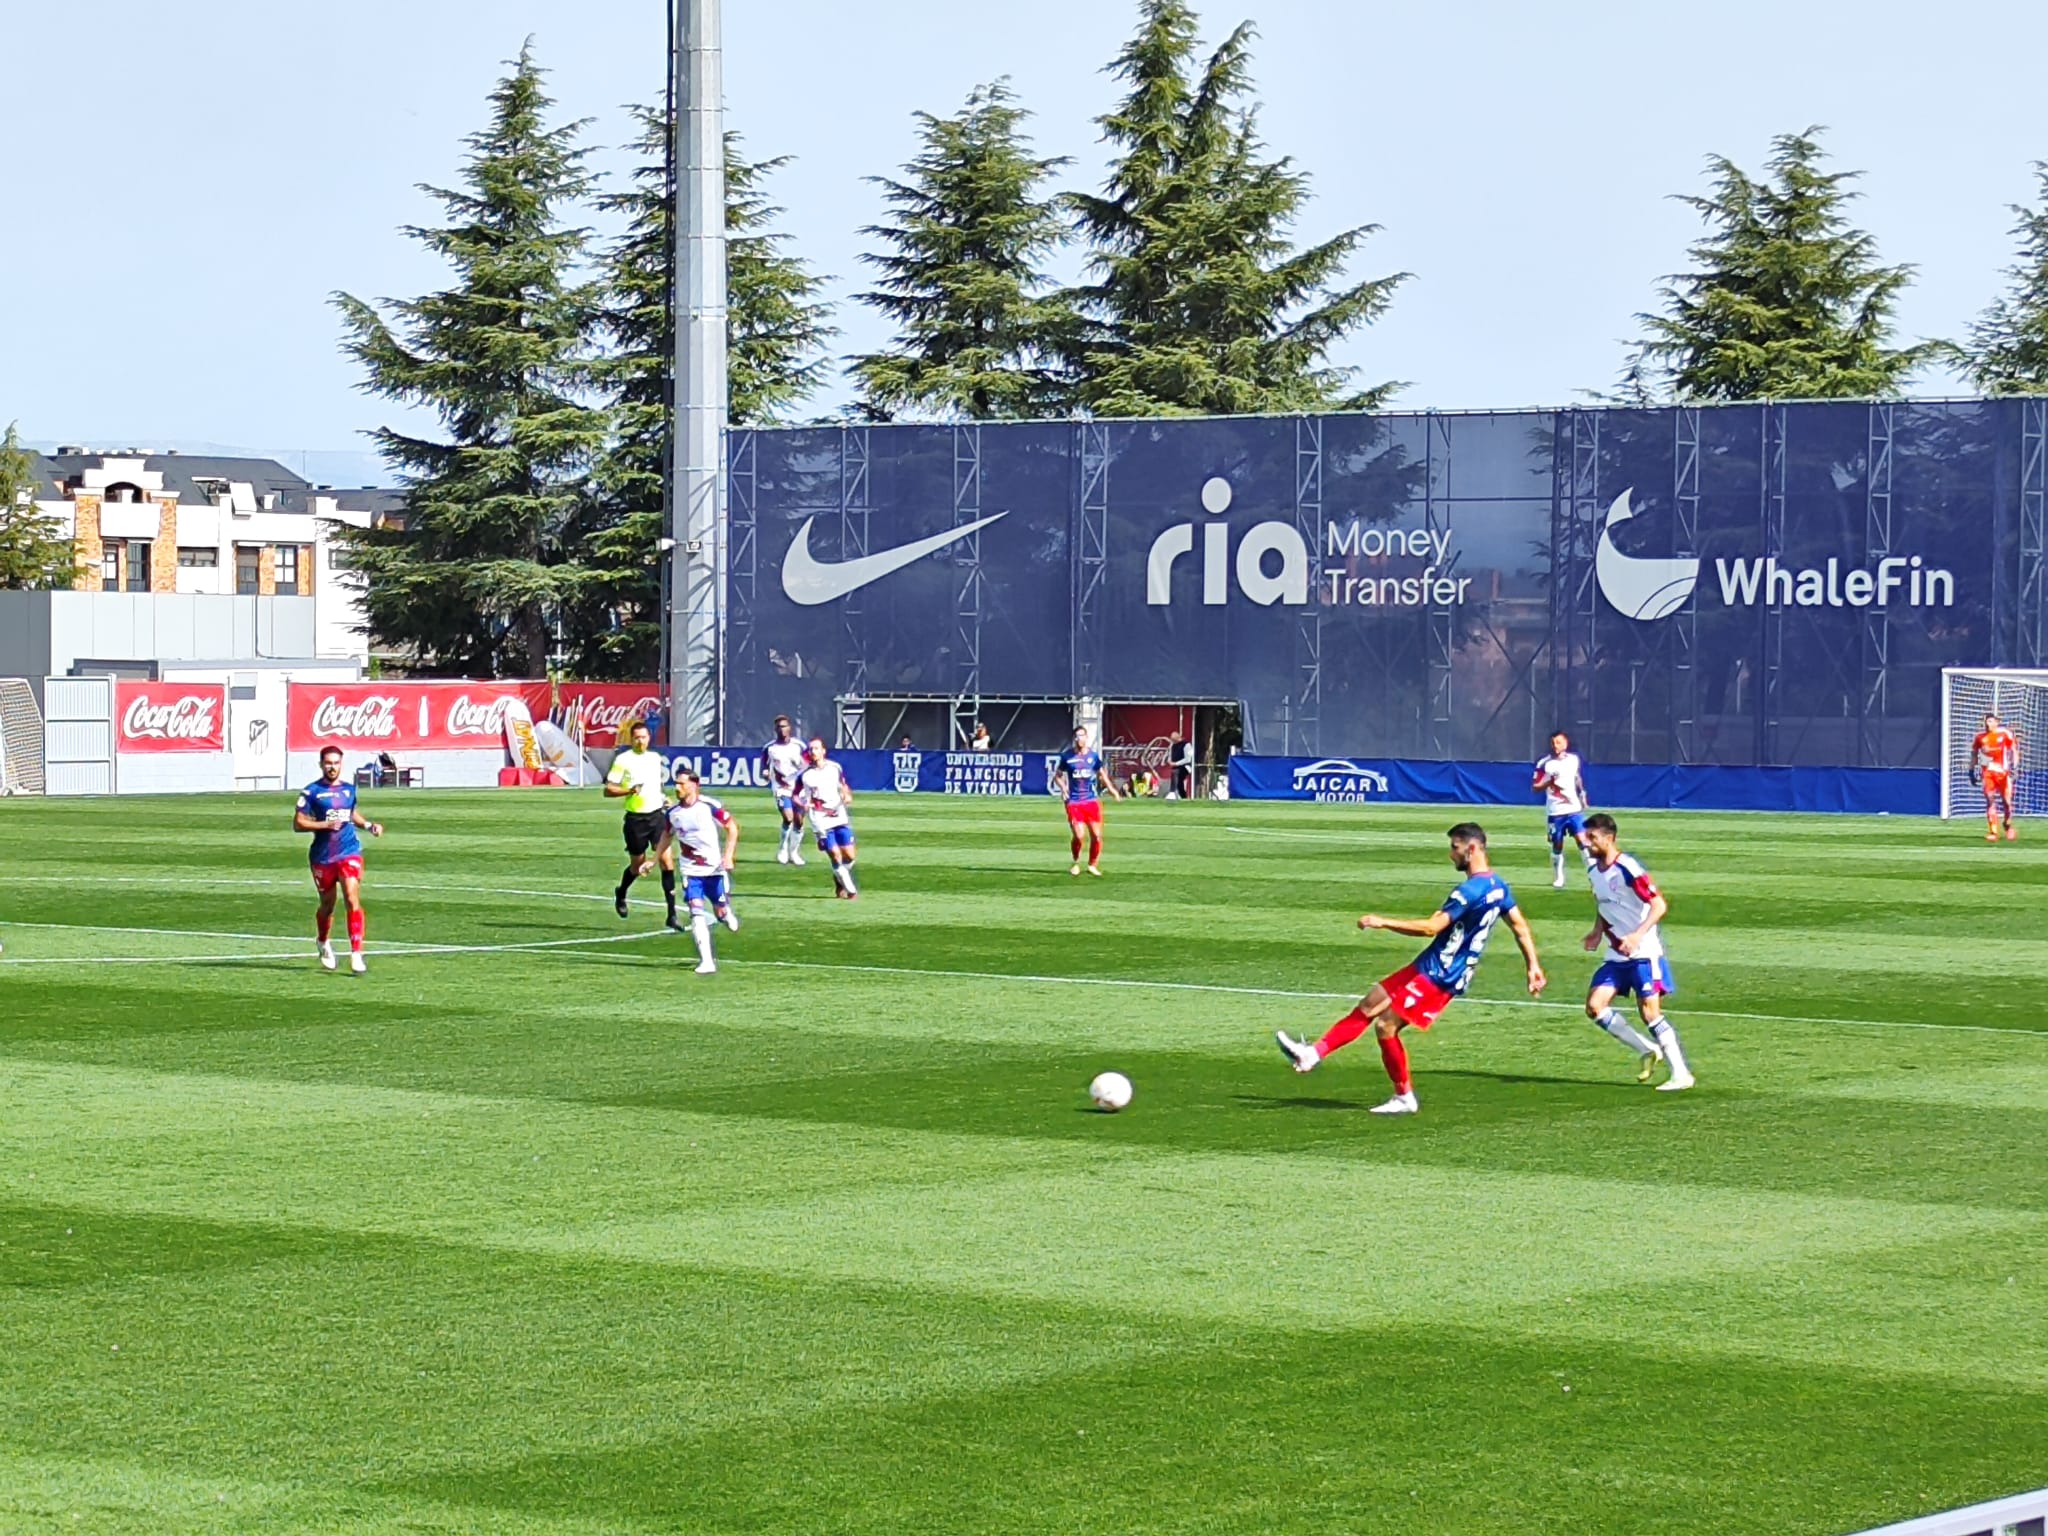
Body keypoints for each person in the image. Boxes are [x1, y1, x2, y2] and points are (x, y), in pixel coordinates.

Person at [1275, 822, 1545, 1115]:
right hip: (1430, 965)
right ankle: (1312, 1054)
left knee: (1385, 1026)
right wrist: (1533, 965)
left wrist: (1383, 922)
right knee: (1370, 1003)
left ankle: (1404, 1096)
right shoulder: (1498, 885)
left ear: (1472, 848)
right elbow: (1519, 926)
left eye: (1455, 848)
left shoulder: (1470, 890)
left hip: (1442, 975)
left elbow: (1431, 928)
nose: (1451, 855)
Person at [1579, 813, 1694, 1091]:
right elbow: (1605, 904)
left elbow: (1659, 905)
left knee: (1650, 1013)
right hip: (1617, 954)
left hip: (1644, 953)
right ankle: (1647, 1049)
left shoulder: (1628, 867)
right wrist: (1597, 931)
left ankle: (1681, 1074)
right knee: (1595, 1007)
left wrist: (1637, 935)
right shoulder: (1594, 871)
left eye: (1592, 838)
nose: (1587, 844)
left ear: (1609, 838)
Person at [293, 743, 385, 974]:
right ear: (321, 765)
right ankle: (323, 941)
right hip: (323, 856)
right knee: (328, 904)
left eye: (336, 763)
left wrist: (368, 825)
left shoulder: (348, 790)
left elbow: (350, 813)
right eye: (328, 763)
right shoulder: (311, 792)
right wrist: (324, 824)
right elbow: (298, 823)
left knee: (351, 896)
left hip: (349, 851)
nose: (332, 767)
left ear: (341, 764)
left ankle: (356, 953)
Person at [651, 770, 740, 974]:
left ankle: (725, 912)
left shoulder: (709, 807)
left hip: (714, 869)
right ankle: (707, 961)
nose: (677, 787)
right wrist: (653, 859)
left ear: (694, 785)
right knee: (696, 912)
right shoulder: (673, 813)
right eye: (676, 783)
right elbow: (667, 835)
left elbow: (732, 828)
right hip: (691, 871)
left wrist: (728, 856)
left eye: (682, 784)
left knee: (719, 909)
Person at [605, 720, 678, 928]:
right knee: (637, 867)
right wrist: (629, 791)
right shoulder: (623, 760)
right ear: (631, 739)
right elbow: (608, 789)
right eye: (636, 737)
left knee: (667, 861)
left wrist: (663, 798)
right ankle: (622, 893)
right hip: (636, 819)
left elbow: (656, 785)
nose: (640, 741)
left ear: (649, 738)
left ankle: (671, 914)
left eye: (644, 737)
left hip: (656, 816)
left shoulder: (655, 758)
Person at [1052, 724, 1122, 876]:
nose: (1080, 739)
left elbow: (1102, 774)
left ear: (1086, 738)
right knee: (1079, 835)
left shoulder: (1093, 757)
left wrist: (1112, 791)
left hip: (1090, 801)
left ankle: (1092, 864)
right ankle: (1076, 861)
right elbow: (1057, 776)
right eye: (1077, 736)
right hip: (1074, 802)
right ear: (1074, 739)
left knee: (1096, 835)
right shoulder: (1067, 757)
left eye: (1082, 736)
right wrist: (1064, 788)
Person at [796, 737, 860, 898]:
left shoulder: (835, 768)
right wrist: (802, 804)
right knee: (835, 855)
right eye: (811, 749)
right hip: (820, 819)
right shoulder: (805, 776)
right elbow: (795, 795)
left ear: (823, 751)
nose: (813, 752)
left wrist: (847, 795)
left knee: (850, 856)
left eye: (816, 748)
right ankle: (851, 890)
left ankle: (839, 878)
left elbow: (843, 785)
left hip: (839, 815)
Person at [1533, 730, 1593, 888]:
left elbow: (1577, 777)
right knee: (1557, 845)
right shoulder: (1544, 764)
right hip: (1555, 812)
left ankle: (1593, 874)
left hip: (1574, 809)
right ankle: (1559, 876)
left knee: (1583, 840)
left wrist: (1582, 793)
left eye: (1558, 742)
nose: (1555, 746)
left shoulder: (1574, 760)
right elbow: (1535, 787)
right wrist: (1549, 781)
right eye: (1553, 743)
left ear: (1565, 743)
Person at [761, 715, 809, 866]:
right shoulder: (770, 748)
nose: (782, 730)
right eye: (779, 727)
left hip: (799, 788)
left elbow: (808, 762)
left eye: (785, 726)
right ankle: (782, 848)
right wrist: (765, 773)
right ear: (775, 729)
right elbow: (763, 765)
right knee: (788, 817)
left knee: (799, 821)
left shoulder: (799, 746)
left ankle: (794, 852)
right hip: (781, 788)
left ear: (790, 728)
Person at [1972, 711, 2020, 842]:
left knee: (2007, 802)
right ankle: (1993, 832)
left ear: (1996, 722)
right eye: (1985, 722)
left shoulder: (2005, 734)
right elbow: (1975, 754)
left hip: (2003, 773)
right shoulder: (1980, 738)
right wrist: (1972, 771)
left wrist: (2015, 767)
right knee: (1990, 799)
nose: (1987, 724)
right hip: (1988, 773)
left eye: (1990, 721)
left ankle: (2008, 825)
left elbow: (2014, 750)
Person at [1169, 733, 1194, 800]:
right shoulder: (1173, 746)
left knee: (1176, 773)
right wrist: (1171, 762)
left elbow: (1188, 759)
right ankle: (1183, 797)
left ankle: (1172, 792)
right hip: (1176, 767)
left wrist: (1176, 763)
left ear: (1178, 738)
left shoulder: (1187, 745)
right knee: (1179, 782)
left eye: (1173, 740)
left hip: (1186, 766)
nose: (1173, 741)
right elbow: (1171, 756)